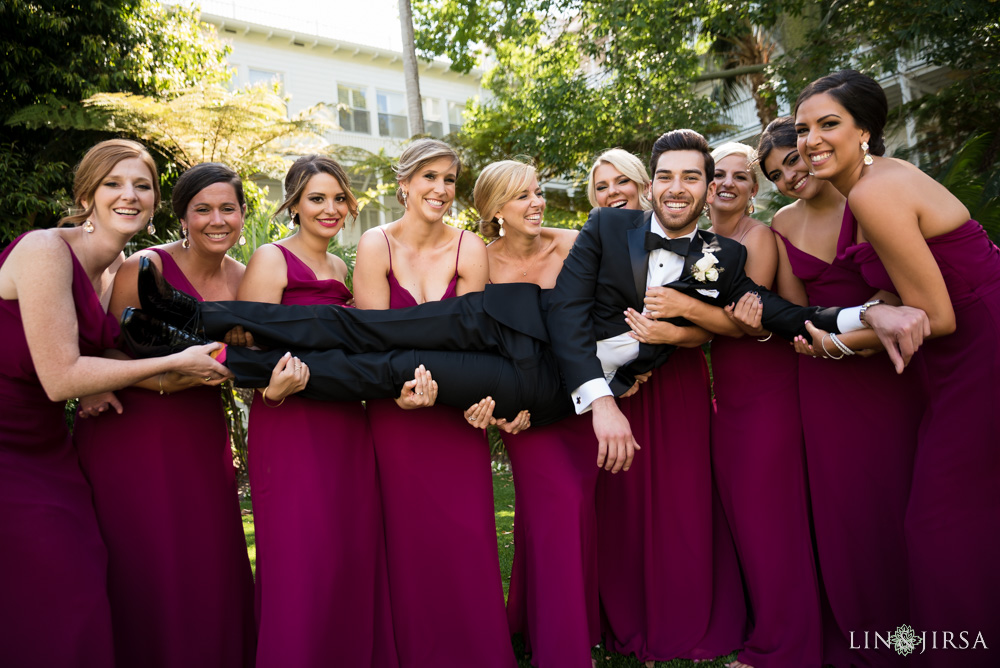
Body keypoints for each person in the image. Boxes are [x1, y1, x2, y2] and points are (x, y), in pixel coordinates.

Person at [791, 70, 1000, 667]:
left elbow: (937, 317)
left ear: (865, 130)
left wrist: (839, 344)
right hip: (958, 361)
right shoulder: (870, 185)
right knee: (967, 516)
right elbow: (900, 295)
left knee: (938, 525)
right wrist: (873, 316)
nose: (810, 140)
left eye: (828, 125)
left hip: (981, 356)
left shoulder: (873, 192)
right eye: (804, 129)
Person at [0, 139, 227, 666]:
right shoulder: (42, 251)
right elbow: (61, 378)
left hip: (50, 444)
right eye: (114, 184)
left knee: (82, 578)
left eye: (142, 186)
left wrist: (102, 376)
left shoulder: (118, 267)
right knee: (63, 587)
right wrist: (172, 365)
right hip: (7, 446)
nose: (130, 195)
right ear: (87, 195)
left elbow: (86, 353)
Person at [73, 162, 256, 667]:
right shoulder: (144, 267)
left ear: (243, 214)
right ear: (182, 217)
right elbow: (107, 355)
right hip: (133, 428)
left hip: (199, 433)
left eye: (227, 209)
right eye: (203, 210)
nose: (216, 220)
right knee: (143, 562)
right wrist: (172, 377)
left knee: (206, 562)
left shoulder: (246, 279)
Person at [756, 116, 920, 668]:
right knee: (844, 507)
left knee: (903, 497)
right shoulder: (781, 222)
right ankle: (865, 628)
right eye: (777, 174)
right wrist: (821, 343)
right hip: (822, 379)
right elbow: (797, 310)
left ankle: (925, 625)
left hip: (889, 370)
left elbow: (898, 293)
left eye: (793, 161)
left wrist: (848, 343)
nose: (790, 176)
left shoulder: (868, 199)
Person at [352, 138, 517, 668]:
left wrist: (479, 397)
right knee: (406, 540)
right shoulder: (375, 245)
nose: (442, 189)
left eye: (449, 179)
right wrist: (399, 395)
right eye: (429, 178)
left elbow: (478, 341)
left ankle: (478, 652)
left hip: (457, 412)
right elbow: (374, 342)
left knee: (466, 534)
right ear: (404, 184)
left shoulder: (471, 248)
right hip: (394, 411)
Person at [582, 144, 746, 664]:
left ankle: (685, 614)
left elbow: (731, 324)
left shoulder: (719, 253)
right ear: (653, 184)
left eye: (691, 177)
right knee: (624, 500)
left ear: (705, 184)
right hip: (619, 390)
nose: (678, 187)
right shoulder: (603, 233)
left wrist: (681, 325)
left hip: (680, 386)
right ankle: (628, 616)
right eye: (666, 176)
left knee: (685, 497)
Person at [236, 155, 393, 667]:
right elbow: (248, 351)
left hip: (346, 421)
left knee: (345, 546)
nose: (329, 209)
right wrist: (272, 393)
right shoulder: (271, 259)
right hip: (289, 421)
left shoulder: (344, 268)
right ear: (295, 205)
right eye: (315, 199)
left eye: (337, 199)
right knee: (300, 552)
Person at [473, 159, 600, 668]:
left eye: (537, 191)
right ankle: (563, 652)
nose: (536, 202)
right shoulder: (479, 263)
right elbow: (477, 345)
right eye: (521, 196)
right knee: (559, 509)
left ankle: (530, 619)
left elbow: (604, 316)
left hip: (583, 402)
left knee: (566, 518)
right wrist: (503, 409)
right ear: (494, 209)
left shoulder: (572, 245)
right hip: (526, 413)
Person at [705, 141, 820, 667]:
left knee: (768, 517)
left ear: (753, 191)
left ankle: (783, 645)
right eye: (718, 175)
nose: (727, 183)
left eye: (740, 177)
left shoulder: (759, 239)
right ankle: (756, 620)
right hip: (726, 393)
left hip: (766, 388)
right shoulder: (698, 241)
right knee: (741, 516)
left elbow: (750, 319)